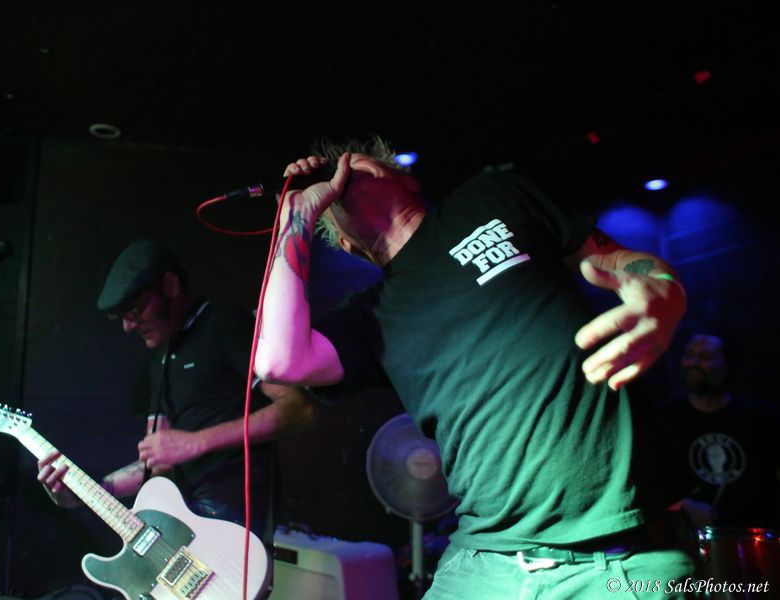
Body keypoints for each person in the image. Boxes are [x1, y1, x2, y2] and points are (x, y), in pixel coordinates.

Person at [254, 138, 693, 599]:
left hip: (621, 559)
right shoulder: (371, 318)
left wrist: (664, 286)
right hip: (484, 562)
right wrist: (295, 218)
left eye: (357, 160)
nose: (338, 171)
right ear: (348, 245)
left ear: (406, 179)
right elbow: (278, 360)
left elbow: (616, 259)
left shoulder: (491, 196)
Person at [38, 239, 316, 542]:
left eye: (134, 309)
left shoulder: (224, 324)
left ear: (170, 286)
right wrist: (88, 492)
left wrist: (195, 443)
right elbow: (154, 463)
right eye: (122, 316)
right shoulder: (161, 358)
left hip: (233, 527)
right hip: (184, 524)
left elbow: (298, 408)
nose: (128, 326)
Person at [662, 333, 780, 529]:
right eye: (689, 355)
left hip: (755, 536)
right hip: (687, 538)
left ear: (726, 365)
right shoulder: (663, 419)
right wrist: (685, 505)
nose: (694, 363)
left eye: (705, 357)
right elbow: (647, 483)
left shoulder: (761, 418)